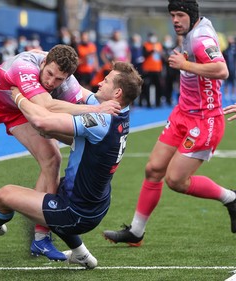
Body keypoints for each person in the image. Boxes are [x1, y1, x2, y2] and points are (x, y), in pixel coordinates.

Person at [0, 44, 121, 260]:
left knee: (52, 159)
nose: (51, 82)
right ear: (43, 63)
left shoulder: (65, 80)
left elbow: (79, 98)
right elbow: (47, 106)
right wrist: (97, 109)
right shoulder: (23, 67)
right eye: (49, 74)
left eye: (59, 79)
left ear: (68, 77)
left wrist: (117, 106)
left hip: (19, 108)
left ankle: (41, 239)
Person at [103, 0, 236, 247]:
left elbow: (221, 70)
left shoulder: (200, 38)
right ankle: (136, 232)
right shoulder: (190, 32)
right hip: (182, 114)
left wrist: (184, 65)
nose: (175, 20)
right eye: (172, 15)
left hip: (204, 119)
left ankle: (231, 198)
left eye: (180, 15)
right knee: (153, 169)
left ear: (192, 16)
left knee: (175, 181)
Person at [140, 31, 164, 108]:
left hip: (157, 69)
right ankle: (148, 103)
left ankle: (158, 102)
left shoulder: (159, 45)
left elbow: (162, 56)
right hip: (148, 69)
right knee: (147, 86)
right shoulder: (145, 45)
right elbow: (144, 55)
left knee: (158, 86)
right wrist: (151, 51)